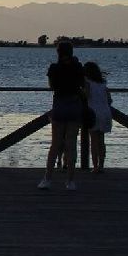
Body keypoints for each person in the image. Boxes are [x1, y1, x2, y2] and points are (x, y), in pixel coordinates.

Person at [38, 40, 85, 191]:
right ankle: (70, 181)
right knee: (71, 145)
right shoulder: (78, 67)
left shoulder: (54, 68)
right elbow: (82, 85)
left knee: (55, 144)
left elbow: (51, 86)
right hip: (74, 105)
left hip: (59, 105)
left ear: (58, 52)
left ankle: (47, 178)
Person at [83, 61, 113, 173]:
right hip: (105, 112)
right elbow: (109, 99)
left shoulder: (87, 82)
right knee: (101, 140)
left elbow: (86, 96)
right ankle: (101, 165)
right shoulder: (103, 83)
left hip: (93, 112)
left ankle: (95, 166)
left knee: (94, 140)